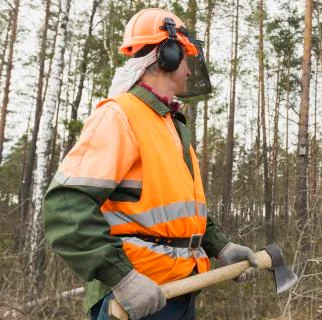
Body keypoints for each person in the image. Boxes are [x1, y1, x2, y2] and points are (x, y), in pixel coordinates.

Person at [42, 8, 258, 320]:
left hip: (177, 291)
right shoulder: (120, 116)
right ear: (166, 56)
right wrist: (122, 278)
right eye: (186, 57)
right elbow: (65, 204)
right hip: (134, 300)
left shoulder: (170, 124)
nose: (190, 69)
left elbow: (179, 211)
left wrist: (221, 247)